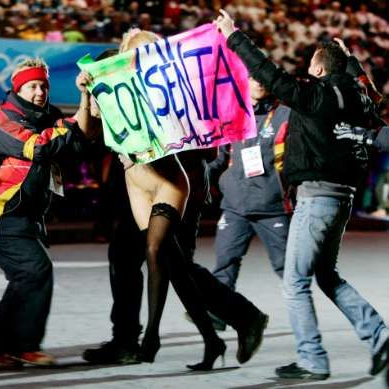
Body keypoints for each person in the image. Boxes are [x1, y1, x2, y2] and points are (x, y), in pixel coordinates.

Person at [215, 9, 389, 380]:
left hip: (316, 197)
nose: (307, 72)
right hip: (342, 198)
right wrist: (353, 63)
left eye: (311, 66)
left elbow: (272, 77)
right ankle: (379, 337)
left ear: (320, 71)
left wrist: (234, 37)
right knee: (327, 275)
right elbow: (373, 102)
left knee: (295, 282)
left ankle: (312, 359)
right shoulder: (359, 97)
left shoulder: (317, 95)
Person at [83, 31, 268, 370]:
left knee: (172, 262)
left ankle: (242, 316)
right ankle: (129, 338)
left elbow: (204, 141)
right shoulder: (117, 75)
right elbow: (96, 126)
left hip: (180, 178)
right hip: (141, 180)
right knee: (128, 257)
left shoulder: (174, 81)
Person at [0, 57, 93, 368]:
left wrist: (85, 96)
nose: (39, 92)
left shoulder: (46, 115)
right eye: (32, 86)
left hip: (24, 215)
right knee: (34, 271)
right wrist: (68, 125)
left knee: (27, 277)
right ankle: (23, 346)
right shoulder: (3, 119)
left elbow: (79, 141)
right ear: (18, 88)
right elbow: (38, 147)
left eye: (43, 86)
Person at [208, 76, 291, 330]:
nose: (260, 81)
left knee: (289, 270)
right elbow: (219, 158)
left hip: (272, 207)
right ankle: (219, 317)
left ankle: (305, 331)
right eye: (253, 76)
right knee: (224, 264)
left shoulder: (287, 114)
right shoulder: (231, 110)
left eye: (263, 75)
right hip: (235, 205)